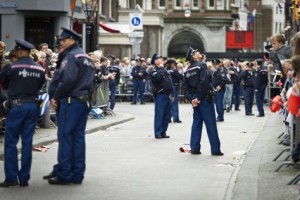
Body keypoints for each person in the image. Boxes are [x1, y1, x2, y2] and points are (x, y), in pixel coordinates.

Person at [44, 27, 95, 185]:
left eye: (64, 40)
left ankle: (65, 174)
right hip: (83, 100)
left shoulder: (71, 56)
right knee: (78, 137)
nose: (62, 43)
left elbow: (68, 80)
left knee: (66, 136)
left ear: (71, 40)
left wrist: (56, 97)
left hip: (71, 100)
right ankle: (77, 174)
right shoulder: (86, 57)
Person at [0, 39, 45, 187]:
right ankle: (24, 178)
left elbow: (4, 84)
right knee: (27, 142)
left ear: (19, 51)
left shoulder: (11, 67)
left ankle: (11, 178)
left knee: (11, 142)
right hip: (32, 106)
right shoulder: (39, 68)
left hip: (17, 106)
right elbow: (40, 85)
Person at [183, 47, 223, 156]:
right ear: (193, 56)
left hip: (195, 99)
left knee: (196, 123)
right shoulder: (201, 65)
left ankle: (195, 148)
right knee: (211, 124)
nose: (199, 53)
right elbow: (204, 82)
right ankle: (215, 150)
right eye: (196, 52)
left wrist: (192, 99)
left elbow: (185, 88)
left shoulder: (187, 70)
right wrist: (199, 98)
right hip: (204, 98)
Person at [148, 53, 173, 139]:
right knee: (160, 114)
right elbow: (158, 78)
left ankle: (163, 132)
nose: (161, 59)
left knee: (167, 115)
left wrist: (171, 94)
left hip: (167, 94)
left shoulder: (164, 70)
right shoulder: (153, 71)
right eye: (159, 58)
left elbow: (170, 83)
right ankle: (158, 132)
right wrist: (161, 68)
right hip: (160, 94)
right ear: (155, 61)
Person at [166, 58, 184, 123]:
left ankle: (168, 118)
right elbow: (181, 77)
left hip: (167, 88)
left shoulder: (166, 70)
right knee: (174, 103)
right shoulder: (174, 70)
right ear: (172, 64)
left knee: (169, 103)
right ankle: (176, 118)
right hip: (173, 87)